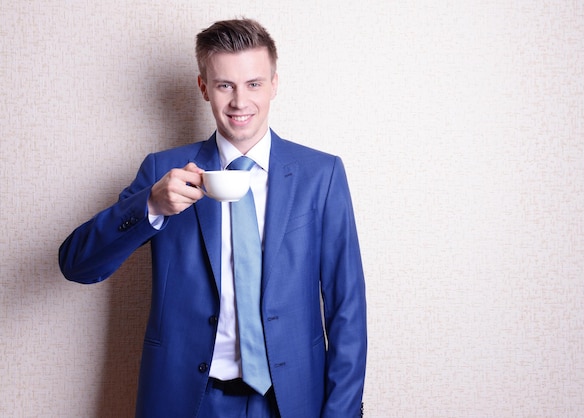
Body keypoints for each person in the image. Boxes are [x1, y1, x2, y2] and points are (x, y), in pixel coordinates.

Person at [59, 18, 367, 418]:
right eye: (225, 85)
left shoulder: (320, 174)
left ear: (275, 84)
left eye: (254, 84)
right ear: (204, 87)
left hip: (291, 402)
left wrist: (341, 412)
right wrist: (149, 207)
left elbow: (347, 305)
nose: (240, 102)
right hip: (187, 401)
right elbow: (77, 266)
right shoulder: (162, 172)